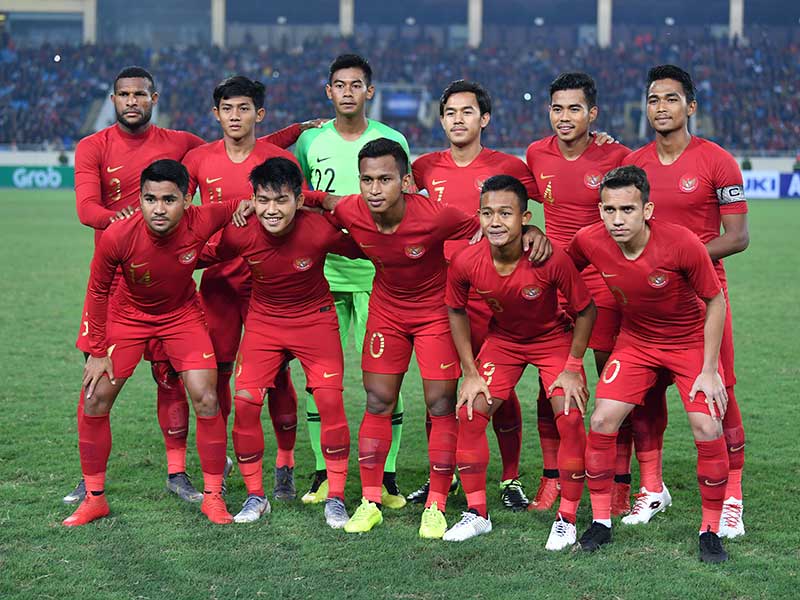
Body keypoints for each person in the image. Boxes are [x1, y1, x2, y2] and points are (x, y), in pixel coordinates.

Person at [68, 66, 313, 506]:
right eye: (122, 94)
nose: (131, 102)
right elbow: (90, 209)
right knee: (137, 384)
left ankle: (244, 468)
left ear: (153, 98)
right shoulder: (99, 148)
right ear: (113, 98)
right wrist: (131, 225)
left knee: (246, 377)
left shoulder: (183, 143)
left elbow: (246, 150)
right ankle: (112, 479)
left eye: (139, 94)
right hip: (147, 278)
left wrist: (291, 133)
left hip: (234, 281)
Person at [63, 159, 248, 527]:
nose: (158, 209)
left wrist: (248, 207)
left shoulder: (202, 219)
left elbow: (241, 203)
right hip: (129, 316)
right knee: (95, 396)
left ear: (187, 199)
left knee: (207, 397)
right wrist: (98, 351)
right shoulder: (118, 234)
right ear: (140, 198)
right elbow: (98, 290)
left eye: (168, 199)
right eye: (150, 199)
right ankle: (95, 498)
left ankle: (213, 497)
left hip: (182, 316)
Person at [568, 165, 730, 564]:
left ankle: (710, 529)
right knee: (602, 420)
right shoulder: (589, 240)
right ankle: (602, 523)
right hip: (636, 342)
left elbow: (715, 300)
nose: (617, 219)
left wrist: (709, 369)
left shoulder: (681, 243)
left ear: (647, 209)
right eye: (608, 209)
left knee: (706, 424)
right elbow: (560, 269)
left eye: (626, 209)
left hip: (688, 342)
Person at [198, 157, 359, 528]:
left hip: (314, 321)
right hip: (265, 323)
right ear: (252, 199)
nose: (271, 210)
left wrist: (327, 202)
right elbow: (201, 254)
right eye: (263, 200)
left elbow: (366, 245)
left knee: (330, 400)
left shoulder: (318, 229)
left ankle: (335, 498)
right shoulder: (240, 231)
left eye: (281, 200)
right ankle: (257, 496)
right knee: (245, 401)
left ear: (298, 201)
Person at [624, 65, 749, 537]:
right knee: (646, 394)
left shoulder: (717, 161)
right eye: (654, 99)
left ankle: (733, 494)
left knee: (721, 393)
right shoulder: (636, 165)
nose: (661, 107)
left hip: (703, 297)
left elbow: (737, 237)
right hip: (645, 299)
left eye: (671, 99)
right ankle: (653, 488)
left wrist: (680, 259)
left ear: (690, 107)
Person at [183, 75, 318, 500]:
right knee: (219, 371)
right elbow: (183, 214)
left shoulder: (279, 159)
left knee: (276, 375)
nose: (235, 116)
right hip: (219, 282)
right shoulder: (198, 159)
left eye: (244, 108)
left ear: (258, 114)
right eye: (228, 108)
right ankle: (220, 457)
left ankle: (285, 463)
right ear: (216, 113)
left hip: (270, 281)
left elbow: (302, 208)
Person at [444, 175, 595, 549]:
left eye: (506, 214)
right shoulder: (466, 260)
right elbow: (454, 309)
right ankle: (477, 514)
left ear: (525, 217)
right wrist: (470, 371)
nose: (495, 222)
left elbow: (587, 310)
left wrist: (573, 366)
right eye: (487, 213)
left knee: (571, 414)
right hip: (505, 342)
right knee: (470, 410)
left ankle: (567, 519)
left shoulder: (549, 257)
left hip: (551, 340)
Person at [410, 80, 538, 511]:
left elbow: (550, 204)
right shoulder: (425, 167)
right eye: (450, 112)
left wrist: (535, 231)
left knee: (497, 390)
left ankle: (509, 478)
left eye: (468, 112)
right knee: (441, 391)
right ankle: (439, 481)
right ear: (441, 118)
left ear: (484, 119)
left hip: (497, 296)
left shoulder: (510, 167)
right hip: (443, 297)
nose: (458, 119)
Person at [294, 54, 410, 508]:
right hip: (321, 275)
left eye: (355, 84)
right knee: (320, 382)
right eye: (339, 84)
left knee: (383, 382)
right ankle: (324, 472)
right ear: (329, 92)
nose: (347, 92)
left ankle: (389, 475)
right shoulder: (310, 141)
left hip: (376, 276)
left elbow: (408, 199)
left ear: (369, 91)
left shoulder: (390, 139)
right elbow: (296, 196)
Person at [525, 72, 643, 514]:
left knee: (614, 386)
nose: (564, 117)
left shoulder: (618, 156)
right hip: (554, 282)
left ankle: (619, 482)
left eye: (575, 108)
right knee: (548, 386)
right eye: (557, 108)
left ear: (592, 114)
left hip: (606, 283)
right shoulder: (536, 153)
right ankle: (553, 478)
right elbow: (522, 198)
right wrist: (532, 225)